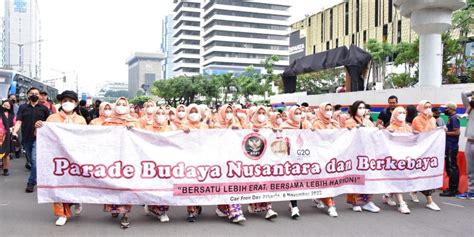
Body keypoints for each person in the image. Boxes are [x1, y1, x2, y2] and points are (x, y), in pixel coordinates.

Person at [43, 90, 86, 226]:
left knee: (74, 183)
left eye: (71, 101)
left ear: (75, 103)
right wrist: (39, 127)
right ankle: (62, 214)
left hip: (75, 157)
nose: (68, 103)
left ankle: (76, 200)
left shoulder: (80, 120)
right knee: (59, 184)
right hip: (57, 156)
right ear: (61, 102)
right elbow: (45, 137)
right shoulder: (52, 118)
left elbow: (87, 138)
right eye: (65, 100)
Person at [102, 97, 142, 228]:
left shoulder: (134, 121)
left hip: (129, 159)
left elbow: (143, 137)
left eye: (124, 104)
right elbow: (101, 138)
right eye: (118, 104)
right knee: (113, 184)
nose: (121, 106)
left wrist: (133, 129)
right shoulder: (107, 122)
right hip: (112, 158)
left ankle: (125, 215)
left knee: (127, 186)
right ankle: (114, 208)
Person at [345, 100, 381, 213]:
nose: (362, 110)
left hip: (367, 154)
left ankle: (367, 201)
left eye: (363, 107)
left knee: (368, 178)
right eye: (359, 107)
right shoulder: (349, 122)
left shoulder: (368, 122)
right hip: (355, 154)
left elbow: (374, 135)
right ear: (355, 109)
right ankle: (355, 202)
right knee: (355, 178)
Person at [12, 87, 50, 193]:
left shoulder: (44, 108)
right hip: (26, 138)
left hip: (39, 139)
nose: (34, 95)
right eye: (32, 93)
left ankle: (31, 182)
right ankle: (36, 176)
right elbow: (19, 121)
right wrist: (15, 132)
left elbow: (49, 123)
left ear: (39, 96)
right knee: (30, 160)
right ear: (28, 95)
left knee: (34, 160)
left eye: (36, 93)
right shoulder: (22, 107)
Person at [214, 104, 246, 223]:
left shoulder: (236, 123)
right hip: (221, 161)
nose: (228, 113)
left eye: (230, 111)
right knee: (223, 185)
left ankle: (236, 213)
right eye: (226, 111)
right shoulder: (216, 125)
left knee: (232, 185)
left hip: (234, 159)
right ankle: (222, 208)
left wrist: (239, 127)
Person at [247, 106, 279, 220]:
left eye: (263, 113)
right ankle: (253, 204)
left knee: (265, 183)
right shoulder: (249, 126)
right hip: (252, 159)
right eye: (259, 113)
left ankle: (269, 209)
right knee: (254, 184)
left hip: (266, 160)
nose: (261, 115)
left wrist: (274, 132)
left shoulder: (269, 127)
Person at [143, 107, 173, 223]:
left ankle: (162, 211)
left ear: (166, 116)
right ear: (153, 116)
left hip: (166, 163)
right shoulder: (147, 128)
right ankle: (151, 205)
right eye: (158, 113)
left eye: (162, 113)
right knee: (153, 187)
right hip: (151, 163)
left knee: (165, 187)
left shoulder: (171, 129)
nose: (160, 115)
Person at [411, 100, 441, 211]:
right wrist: (428, 120)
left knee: (424, 174)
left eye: (429, 106)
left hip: (430, 151)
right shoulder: (417, 119)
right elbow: (423, 134)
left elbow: (433, 133)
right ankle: (430, 201)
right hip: (419, 151)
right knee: (417, 173)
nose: (428, 108)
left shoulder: (433, 119)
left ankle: (415, 192)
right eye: (426, 106)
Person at [311, 102, 339, 217]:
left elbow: (341, 136)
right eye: (326, 109)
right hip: (320, 156)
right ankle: (331, 205)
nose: (329, 112)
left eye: (330, 109)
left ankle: (320, 198)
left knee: (330, 180)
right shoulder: (316, 124)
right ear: (321, 110)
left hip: (332, 156)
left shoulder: (335, 123)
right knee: (325, 180)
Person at [280, 106, 308, 219]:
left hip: (301, 157)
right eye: (295, 113)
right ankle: (294, 206)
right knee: (292, 181)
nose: (298, 115)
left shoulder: (305, 124)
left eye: (299, 113)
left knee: (297, 180)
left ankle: (292, 203)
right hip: (288, 157)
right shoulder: (284, 126)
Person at [385, 106, 412, 214]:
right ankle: (402, 203)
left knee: (399, 180)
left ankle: (388, 195)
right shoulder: (390, 127)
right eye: (399, 112)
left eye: (403, 112)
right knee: (398, 180)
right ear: (395, 114)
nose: (402, 114)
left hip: (406, 158)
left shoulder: (408, 127)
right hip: (394, 159)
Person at [440, 102, 461, 197]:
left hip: (452, 147)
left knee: (452, 167)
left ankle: (453, 189)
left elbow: (457, 133)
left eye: (447, 108)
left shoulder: (454, 118)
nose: (445, 110)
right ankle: (452, 188)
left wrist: (444, 133)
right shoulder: (451, 118)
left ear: (451, 109)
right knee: (450, 167)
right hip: (449, 146)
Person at [457, 91, 474, 199]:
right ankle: (471, 192)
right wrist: (472, 92)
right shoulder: (470, 109)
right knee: (470, 170)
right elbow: (463, 94)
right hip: (469, 141)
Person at [0, 100, 15, 176]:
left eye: (7, 106)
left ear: (10, 107)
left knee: (6, 154)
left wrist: (12, 129)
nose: (5, 107)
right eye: (4, 105)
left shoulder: (12, 115)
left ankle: (5, 169)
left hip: (6, 135)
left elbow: (14, 125)